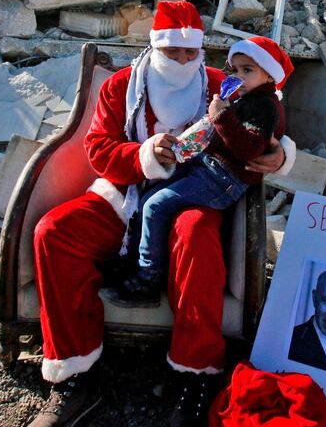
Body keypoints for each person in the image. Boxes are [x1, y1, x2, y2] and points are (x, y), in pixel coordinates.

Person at [25, 0, 296, 427]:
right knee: (54, 231)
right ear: (155, 47)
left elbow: (264, 117)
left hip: (193, 192)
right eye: (174, 52)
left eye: (192, 52)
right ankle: (76, 371)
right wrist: (145, 154)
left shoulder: (217, 84)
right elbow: (97, 149)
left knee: (196, 237)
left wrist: (280, 153)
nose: (185, 60)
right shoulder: (122, 86)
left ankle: (196, 373)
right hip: (126, 191)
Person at [111, 36, 294, 305]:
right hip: (206, 167)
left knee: (156, 206)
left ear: (269, 76)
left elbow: (250, 147)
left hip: (221, 178)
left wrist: (221, 116)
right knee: (150, 195)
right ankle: (133, 262)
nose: (181, 59)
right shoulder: (133, 81)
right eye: (235, 69)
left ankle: (149, 277)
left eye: (248, 70)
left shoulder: (261, 104)